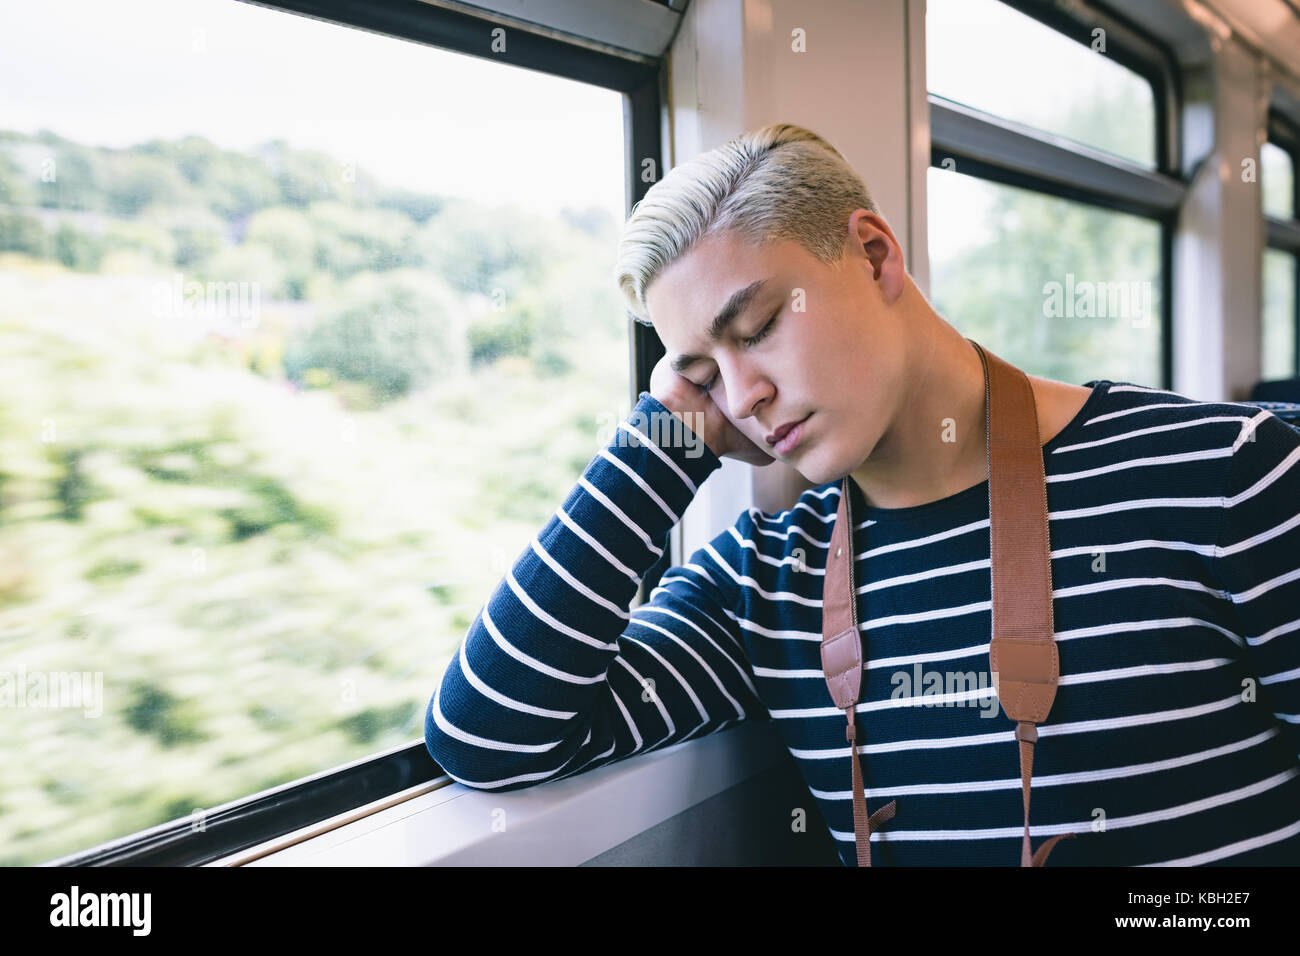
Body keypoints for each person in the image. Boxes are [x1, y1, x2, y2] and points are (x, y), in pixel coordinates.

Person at [424, 122, 1300, 865]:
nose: (742, 398)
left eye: (758, 327)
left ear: (875, 254)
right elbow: (491, 735)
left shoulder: (1228, 477)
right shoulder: (767, 584)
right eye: (701, 375)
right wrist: (661, 442)